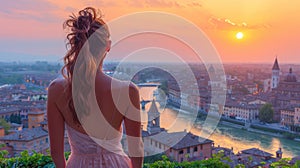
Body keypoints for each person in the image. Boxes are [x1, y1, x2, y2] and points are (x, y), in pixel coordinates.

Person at [47, 7, 144, 168]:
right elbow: (136, 149)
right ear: (108, 46)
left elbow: (56, 152)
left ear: (76, 44)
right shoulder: (128, 91)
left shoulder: (56, 90)